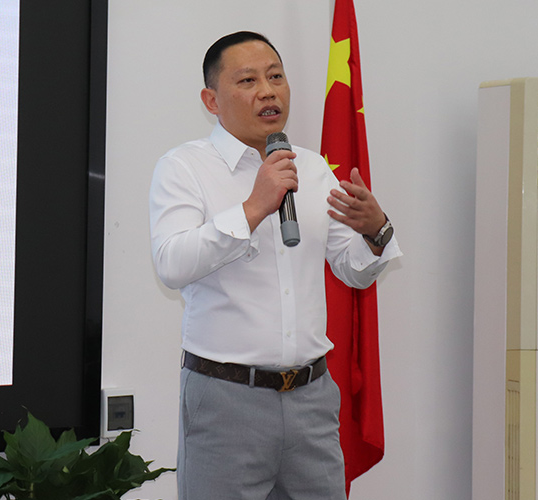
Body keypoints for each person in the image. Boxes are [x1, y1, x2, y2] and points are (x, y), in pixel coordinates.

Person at [149, 31, 401, 500]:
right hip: (226, 401)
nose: (268, 91)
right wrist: (252, 208)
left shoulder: (312, 167)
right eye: (248, 80)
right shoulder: (184, 168)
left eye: (276, 77)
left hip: (312, 399)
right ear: (212, 100)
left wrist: (376, 231)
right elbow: (171, 263)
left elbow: (352, 268)